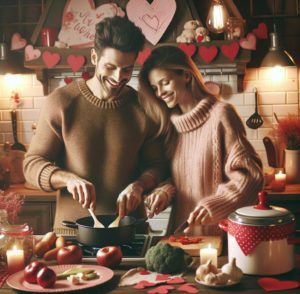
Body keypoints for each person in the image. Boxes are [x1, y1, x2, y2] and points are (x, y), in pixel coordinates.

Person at [23, 16, 168, 234]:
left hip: (129, 233)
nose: (119, 78)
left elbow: (158, 166)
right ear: (94, 56)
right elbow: (31, 165)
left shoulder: (144, 108)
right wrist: (68, 179)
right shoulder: (62, 103)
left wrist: (139, 185)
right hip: (72, 235)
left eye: (127, 69)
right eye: (110, 67)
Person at [139, 45, 264, 235]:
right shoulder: (171, 127)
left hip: (219, 240)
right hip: (182, 240)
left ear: (186, 75)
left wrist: (215, 205)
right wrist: (163, 192)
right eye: (155, 88)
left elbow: (251, 176)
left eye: (164, 82)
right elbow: (179, 180)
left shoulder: (221, 115)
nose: (160, 93)